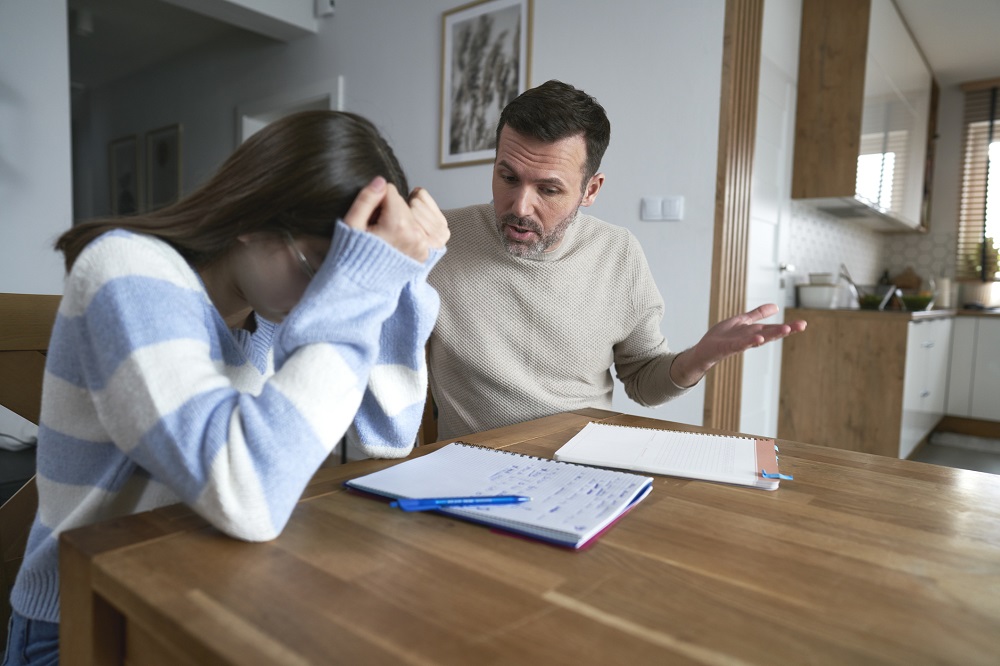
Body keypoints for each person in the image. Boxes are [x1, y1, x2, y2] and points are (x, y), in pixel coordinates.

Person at [3, 110, 448, 665]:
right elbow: (247, 494)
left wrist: (400, 284)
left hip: (218, 593)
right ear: (253, 216)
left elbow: (378, 445)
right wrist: (355, 290)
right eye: (317, 269)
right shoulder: (128, 272)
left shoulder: (276, 318)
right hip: (85, 620)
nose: (323, 301)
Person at [427, 80, 804, 439]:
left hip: (579, 465)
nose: (520, 206)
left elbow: (642, 380)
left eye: (549, 189)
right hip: (467, 467)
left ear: (590, 190)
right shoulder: (436, 238)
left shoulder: (617, 253)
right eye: (508, 178)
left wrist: (699, 357)